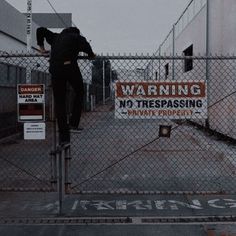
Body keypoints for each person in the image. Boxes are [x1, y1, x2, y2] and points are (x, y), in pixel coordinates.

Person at [36, 26, 96, 145]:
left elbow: (40, 30)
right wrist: (91, 55)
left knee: (60, 101)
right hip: (69, 67)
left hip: (55, 69)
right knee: (79, 92)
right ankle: (73, 124)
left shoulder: (55, 37)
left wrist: (42, 48)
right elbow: (87, 47)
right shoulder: (76, 37)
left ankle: (63, 137)